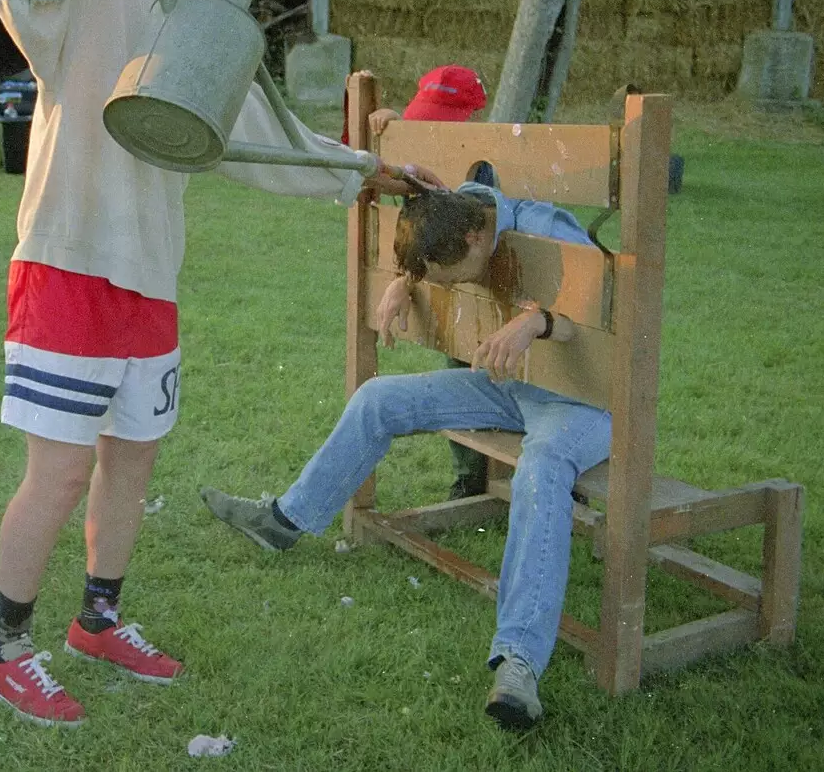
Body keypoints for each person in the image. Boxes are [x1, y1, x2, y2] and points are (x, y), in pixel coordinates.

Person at [0, 0, 438, 729]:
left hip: (149, 278)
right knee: (63, 469)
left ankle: (98, 621)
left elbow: (268, 143)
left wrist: (375, 173)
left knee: (131, 458)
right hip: (67, 265)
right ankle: (2, 649)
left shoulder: (205, 31)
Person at [200, 182, 604, 731]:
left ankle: (519, 664)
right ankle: (284, 521)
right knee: (379, 398)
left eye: (451, 278)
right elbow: (427, 211)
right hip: (511, 385)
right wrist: (404, 281)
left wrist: (539, 321)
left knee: (541, 468)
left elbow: (609, 317)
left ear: (476, 236)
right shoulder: (456, 213)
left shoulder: (549, 232)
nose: (448, 286)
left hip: (584, 402)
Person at [370, 64, 496, 501]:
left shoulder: (487, 168)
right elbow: (420, 230)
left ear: (472, 124)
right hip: (456, 285)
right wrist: (392, 132)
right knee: (458, 356)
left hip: (504, 287)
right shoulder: (424, 179)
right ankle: (470, 477)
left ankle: (564, 486)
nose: (433, 135)